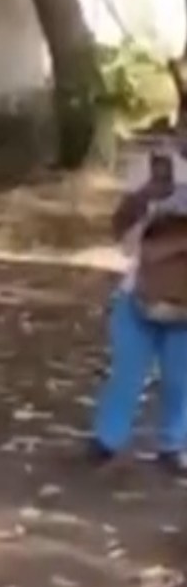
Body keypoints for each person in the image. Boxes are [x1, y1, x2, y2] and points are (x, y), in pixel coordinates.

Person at [90, 146, 187, 472]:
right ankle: (106, 442)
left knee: (181, 379)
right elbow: (120, 232)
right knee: (127, 372)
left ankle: (173, 446)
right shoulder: (155, 165)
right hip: (139, 291)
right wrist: (146, 194)